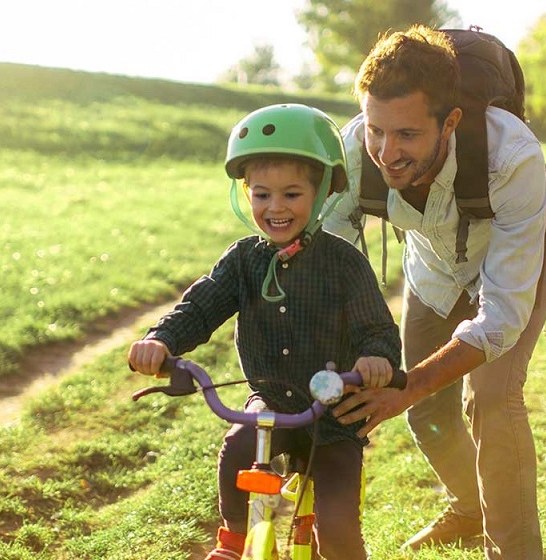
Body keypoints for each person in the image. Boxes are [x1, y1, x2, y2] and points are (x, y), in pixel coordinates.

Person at [322, 25, 546, 559]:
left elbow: (500, 315)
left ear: (450, 122)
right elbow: (325, 267)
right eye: (376, 130)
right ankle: (469, 506)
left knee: (493, 403)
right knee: (425, 411)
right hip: (432, 270)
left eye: (407, 134)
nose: (387, 152)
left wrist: (407, 384)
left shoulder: (512, 154)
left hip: (515, 266)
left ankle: (515, 551)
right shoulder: (352, 152)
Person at [128, 103, 402, 560]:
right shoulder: (243, 260)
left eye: (292, 194)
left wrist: (375, 359)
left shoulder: (344, 263)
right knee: (238, 447)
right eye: (262, 195)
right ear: (246, 194)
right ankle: (236, 538)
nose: (275, 208)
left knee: (336, 529)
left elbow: (377, 327)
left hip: (335, 412)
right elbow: (201, 305)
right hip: (271, 401)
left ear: (321, 194)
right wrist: (162, 340)